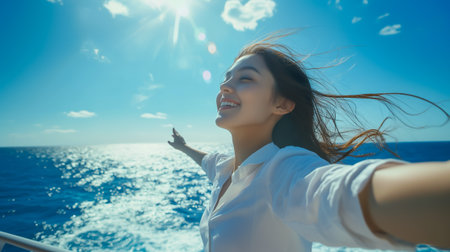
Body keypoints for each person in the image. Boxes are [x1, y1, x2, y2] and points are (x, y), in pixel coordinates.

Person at [168, 34, 450, 252]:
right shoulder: (223, 167)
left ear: (282, 104)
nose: (225, 86)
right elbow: (205, 160)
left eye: (245, 78)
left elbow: (338, 193)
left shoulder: (283, 172)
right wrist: (183, 147)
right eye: (226, 78)